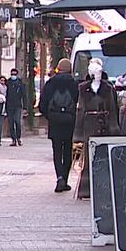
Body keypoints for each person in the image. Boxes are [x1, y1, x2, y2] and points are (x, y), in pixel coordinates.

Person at [72, 58, 120, 197]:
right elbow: (80, 109)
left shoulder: (108, 88)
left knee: (104, 157)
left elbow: (112, 109)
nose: (95, 74)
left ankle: (104, 188)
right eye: (93, 71)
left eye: (98, 71)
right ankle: (86, 189)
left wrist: (114, 128)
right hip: (89, 125)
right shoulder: (83, 88)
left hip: (104, 124)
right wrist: (78, 133)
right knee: (88, 157)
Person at [38, 58, 79, 193]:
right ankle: (65, 180)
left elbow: (42, 104)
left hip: (55, 122)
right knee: (67, 150)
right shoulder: (74, 84)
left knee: (57, 151)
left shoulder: (51, 83)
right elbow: (79, 103)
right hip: (69, 121)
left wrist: (50, 116)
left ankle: (59, 177)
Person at [5, 67, 27, 146]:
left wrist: (25, 107)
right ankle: (13, 139)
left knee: (17, 122)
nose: (13, 75)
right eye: (12, 74)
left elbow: (24, 96)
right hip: (9, 106)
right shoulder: (8, 83)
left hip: (17, 106)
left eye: (14, 74)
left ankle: (18, 137)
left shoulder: (20, 84)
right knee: (11, 123)